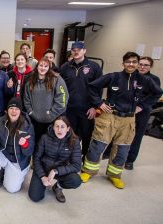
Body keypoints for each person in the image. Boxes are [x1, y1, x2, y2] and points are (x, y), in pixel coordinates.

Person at [80, 52, 162, 189]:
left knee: (122, 149)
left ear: (137, 64)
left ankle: (114, 175)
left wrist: (142, 106)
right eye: (128, 62)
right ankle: (88, 171)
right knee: (98, 145)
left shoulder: (144, 80)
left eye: (134, 62)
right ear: (122, 63)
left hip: (128, 120)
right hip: (109, 116)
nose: (131, 64)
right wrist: (99, 103)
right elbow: (92, 86)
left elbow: (158, 93)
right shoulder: (113, 77)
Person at [60, 41, 103, 158]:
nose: (76, 51)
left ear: (84, 50)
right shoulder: (65, 67)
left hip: (87, 110)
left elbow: (99, 89)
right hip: (69, 109)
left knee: (86, 136)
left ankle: (84, 159)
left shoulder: (94, 67)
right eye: (73, 50)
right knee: (70, 136)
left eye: (79, 49)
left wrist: (95, 107)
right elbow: (60, 88)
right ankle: (71, 158)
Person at [0, 98, 34, 193]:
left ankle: (17, 173)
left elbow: (30, 151)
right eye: (11, 108)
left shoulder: (27, 126)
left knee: (12, 189)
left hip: (18, 160)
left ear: (20, 111)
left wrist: (25, 144)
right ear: (7, 110)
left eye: (17, 109)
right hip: (4, 153)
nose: (14, 111)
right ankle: (0, 174)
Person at [28, 116, 82, 203]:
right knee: (35, 197)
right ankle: (43, 183)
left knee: (76, 180)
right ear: (53, 127)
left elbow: (77, 165)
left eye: (62, 126)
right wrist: (42, 176)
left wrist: (56, 171)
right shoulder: (44, 138)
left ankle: (58, 187)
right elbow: (36, 159)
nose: (59, 130)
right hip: (44, 169)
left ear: (68, 128)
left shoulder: (74, 141)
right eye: (56, 126)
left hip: (60, 170)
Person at [124, 56, 161, 170]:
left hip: (142, 111)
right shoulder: (131, 75)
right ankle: (111, 153)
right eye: (140, 64)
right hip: (127, 109)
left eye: (146, 65)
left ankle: (130, 160)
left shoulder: (154, 79)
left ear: (150, 67)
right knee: (121, 133)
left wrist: (141, 106)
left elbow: (154, 96)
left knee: (137, 136)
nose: (142, 67)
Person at [24, 58, 69, 145]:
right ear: (37, 67)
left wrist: (52, 114)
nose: (43, 68)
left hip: (52, 121)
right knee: (36, 144)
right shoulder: (30, 81)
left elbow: (62, 99)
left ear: (49, 68)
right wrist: (31, 112)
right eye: (41, 65)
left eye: (46, 66)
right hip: (35, 120)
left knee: (49, 145)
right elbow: (26, 99)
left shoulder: (56, 80)